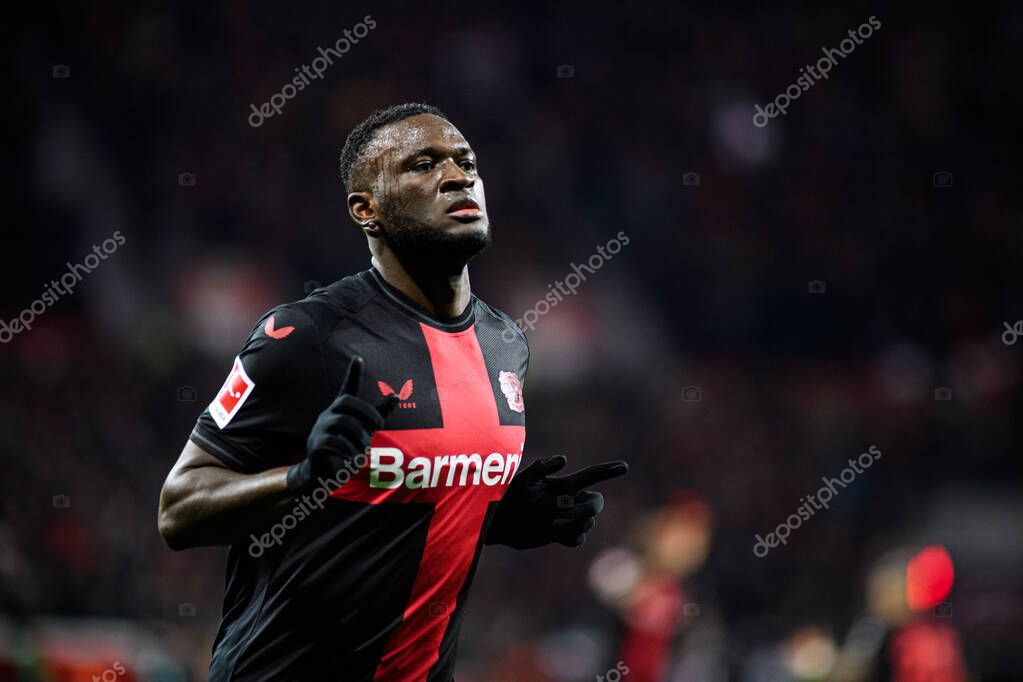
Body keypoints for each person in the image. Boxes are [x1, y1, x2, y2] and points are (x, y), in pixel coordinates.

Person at [157, 102, 629, 681]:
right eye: (423, 165)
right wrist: (299, 479)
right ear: (367, 210)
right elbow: (178, 510)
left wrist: (494, 520)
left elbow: (395, 505)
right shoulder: (307, 335)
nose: (457, 177)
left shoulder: (505, 343)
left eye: (466, 163)